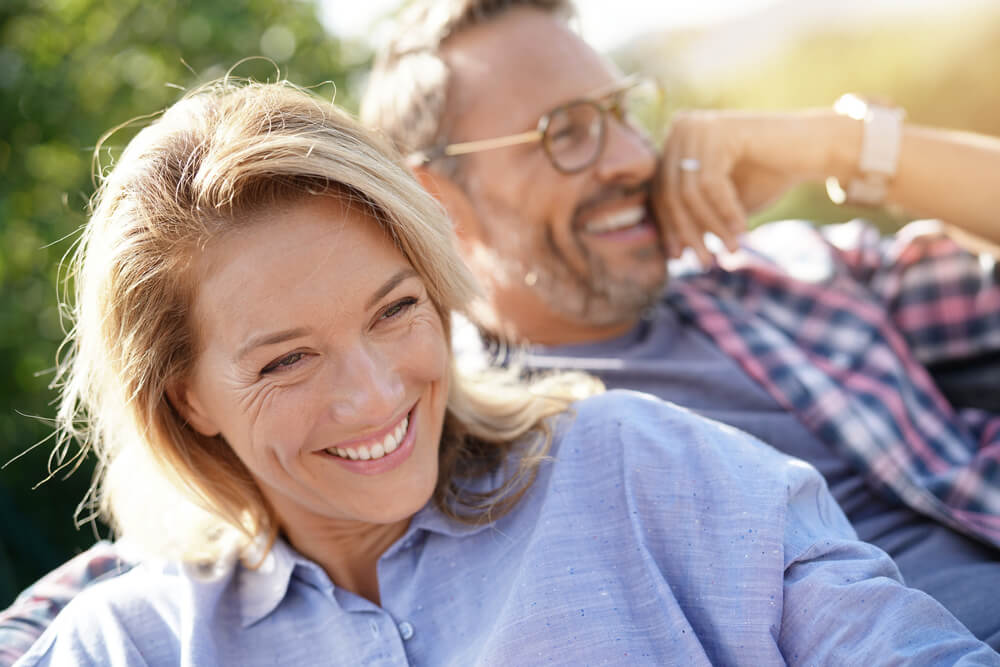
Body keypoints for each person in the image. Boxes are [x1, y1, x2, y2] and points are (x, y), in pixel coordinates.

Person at [6, 78, 999, 665]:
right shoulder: (132, 636)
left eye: (394, 310)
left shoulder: (637, 463)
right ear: (185, 395)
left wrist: (846, 138)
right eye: (286, 359)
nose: (372, 395)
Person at [357, 0, 1000, 648]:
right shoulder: (457, 446)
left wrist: (840, 145)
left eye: (623, 113)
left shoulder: (785, 274)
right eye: (568, 132)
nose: (636, 158)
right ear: (437, 201)